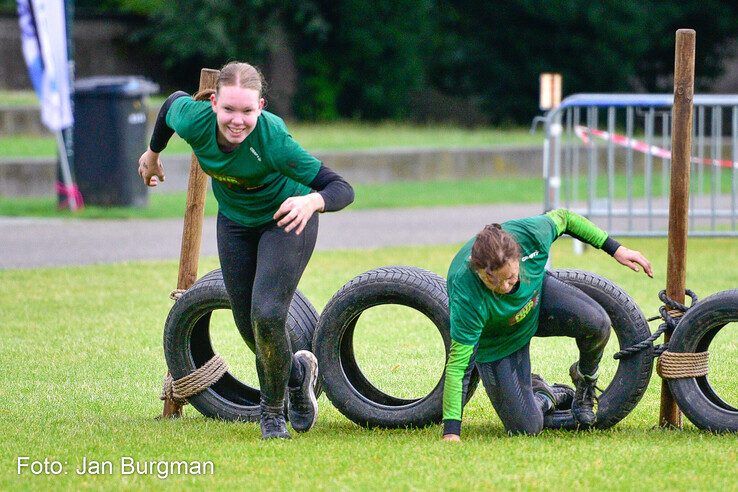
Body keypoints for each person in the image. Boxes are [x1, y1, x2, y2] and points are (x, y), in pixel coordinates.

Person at [138, 62, 354, 440]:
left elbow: (341, 187)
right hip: (235, 222)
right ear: (213, 104)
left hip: (286, 219)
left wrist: (313, 202)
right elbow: (172, 104)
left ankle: (272, 414)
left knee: (267, 313)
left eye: (248, 111)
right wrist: (153, 154)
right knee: (246, 323)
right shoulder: (195, 121)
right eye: (229, 109)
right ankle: (297, 375)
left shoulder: (273, 141)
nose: (237, 120)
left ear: (261, 107)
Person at [441, 209, 653, 440]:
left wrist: (616, 249)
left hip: (538, 301)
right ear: (477, 270)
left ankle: (585, 382)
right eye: (492, 281)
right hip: (499, 342)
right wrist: (451, 433)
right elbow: (458, 366)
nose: (503, 288)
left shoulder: (532, 234)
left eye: (510, 277)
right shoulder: (466, 292)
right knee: (526, 427)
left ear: (518, 257)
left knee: (597, 322)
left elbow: (566, 218)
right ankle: (545, 391)